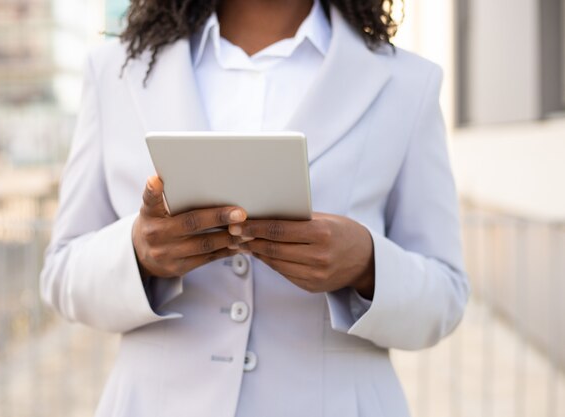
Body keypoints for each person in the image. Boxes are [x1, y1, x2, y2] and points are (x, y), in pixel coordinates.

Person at [40, 0, 469, 415]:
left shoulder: (407, 83)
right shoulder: (116, 71)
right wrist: (137, 253)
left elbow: (445, 296)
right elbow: (61, 275)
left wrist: (367, 266)